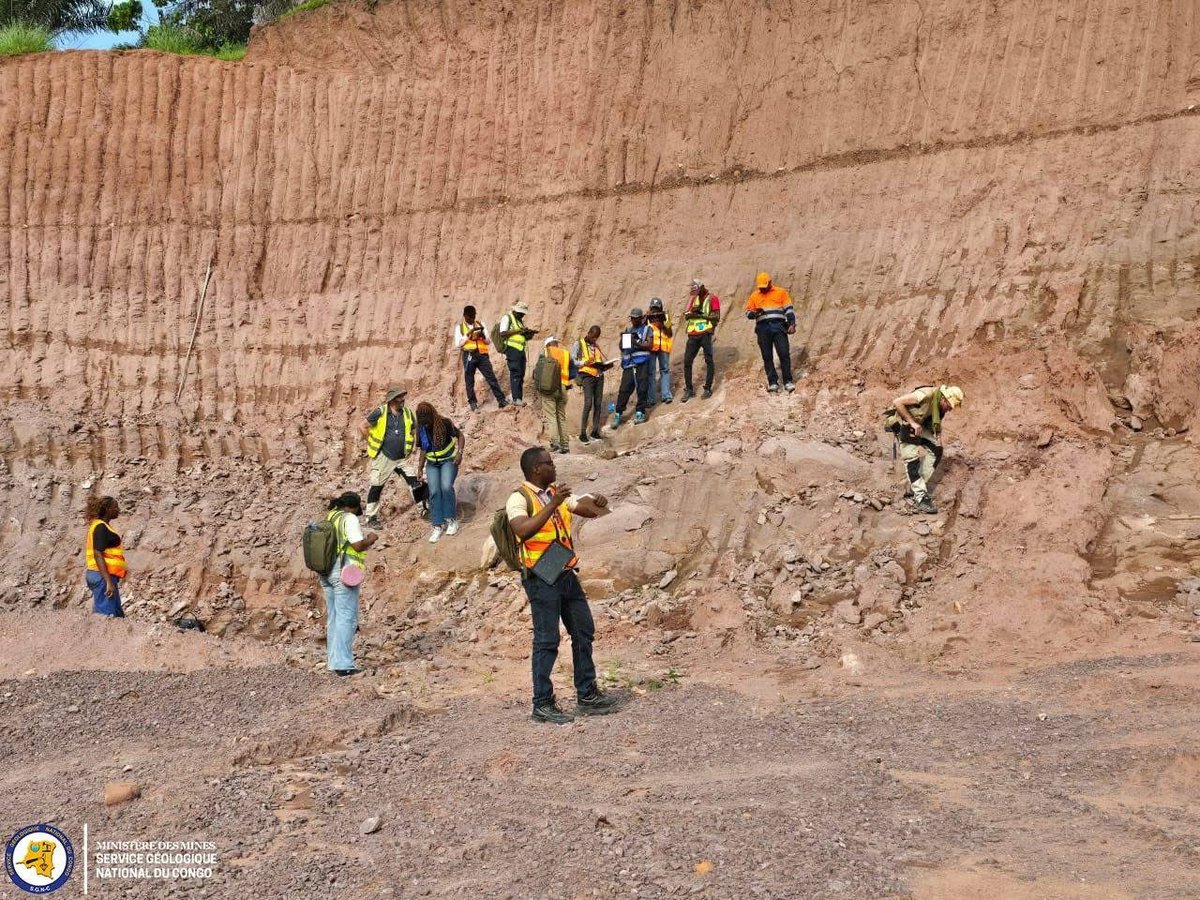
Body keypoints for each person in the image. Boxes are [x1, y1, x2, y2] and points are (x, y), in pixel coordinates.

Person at [507, 446, 620, 723]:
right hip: (541, 575)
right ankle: (542, 703)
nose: (554, 467)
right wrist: (553, 503)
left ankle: (587, 693)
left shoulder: (554, 493)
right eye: (549, 463)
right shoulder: (519, 498)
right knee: (547, 640)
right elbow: (522, 529)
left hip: (564, 569)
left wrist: (598, 505)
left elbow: (584, 510)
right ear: (536, 469)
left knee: (583, 629)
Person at [319, 492, 378, 675]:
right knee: (346, 618)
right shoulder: (349, 518)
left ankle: (333, 661)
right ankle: (344, 665)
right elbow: (357, 545)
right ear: (353, 506)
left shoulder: (331, 516)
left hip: (326, 571)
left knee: (334, 617)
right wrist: (371, 538)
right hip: (343, 572)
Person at [884, 385, 965, 515]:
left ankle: (914, 486)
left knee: (937, 450)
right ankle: (921, 497)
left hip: (919, 425)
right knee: (912, 460)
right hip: (905, 424)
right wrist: (912, 422)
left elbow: (936, 420)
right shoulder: (925, 395)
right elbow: (897, 402)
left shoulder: (939, 403)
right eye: (949, 406)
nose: (949, 410)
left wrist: (938, 437)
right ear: (944, 399)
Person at [357, 386, 418, 527]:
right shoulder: (380, 412)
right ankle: (371, 518)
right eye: (399, 397)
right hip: (384, 457)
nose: (402, 399)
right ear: (391, 400)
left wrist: (411, 448)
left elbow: (413, 431)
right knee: (376, 486)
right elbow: (362, 426)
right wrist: (371, 441)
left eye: (403, 396)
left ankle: (424, 509)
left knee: (414, 482)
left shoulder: (408, 413)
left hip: (401, 458)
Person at [414, 402, 465, 542]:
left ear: (432, 416)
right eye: (423, 422)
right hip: (432, 464)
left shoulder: (444, 423)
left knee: (446, 487)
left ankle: (451, 520)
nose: (426, 424)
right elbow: (423, 449)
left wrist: (459, 453)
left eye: (427, 421)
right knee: (434, 491)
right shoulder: (420, 429)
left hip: (449, 460)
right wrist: (419, 468)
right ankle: (437, 525)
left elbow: (460, 436)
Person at [745, 272, 796, 393]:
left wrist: (792, 323)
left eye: (764, 286)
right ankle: (772, 382)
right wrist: (754, 313)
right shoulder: (754, 296)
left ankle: (788, 381)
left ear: (770, 282)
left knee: (784, 353)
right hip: (762, 328)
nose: (762, 288)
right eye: (761, 287)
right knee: (767, 356)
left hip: (778, 326)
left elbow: (788, 309)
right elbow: (747, 312)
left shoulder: (781, 292)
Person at [453, 305, 508, 411]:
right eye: (470, 317)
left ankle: (501, 400)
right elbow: (458, 344)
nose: (472, 319)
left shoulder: (480, 324)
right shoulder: (459, 328)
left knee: (491, 378)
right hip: (469, 355)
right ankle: (473, 403)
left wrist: (482, 335)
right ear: (464, 316)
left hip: (482, 355)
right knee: (469, 380)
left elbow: (488, 341)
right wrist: (468, 335)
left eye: (473, 316)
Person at [611, 307, 654, 428]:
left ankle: (640, 412)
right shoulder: (628, 330)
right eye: (632, 318)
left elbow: (649, 345)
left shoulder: (647, 329)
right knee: (624, 389)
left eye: (636, 318)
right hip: (629, 363)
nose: (634, 321)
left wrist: (635, 342)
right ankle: (618, 413)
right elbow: (622, 348)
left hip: (642, 362)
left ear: (641, 318)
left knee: (642, 387)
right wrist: (623, 339)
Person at [84, 495, 126, 618]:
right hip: (102, 576)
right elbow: (98, 554)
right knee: (106, 616)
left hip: (103, 575)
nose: (118, 510)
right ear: (107, 509)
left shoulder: (102, 526)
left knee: (116, 614)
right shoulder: (100, 527)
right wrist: (108, 581)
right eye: (115, 507)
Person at [681, 278, 721, 401]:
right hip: (693, 333)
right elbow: (687, 314)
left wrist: (700, 315)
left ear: (702, 287)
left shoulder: (712, 298)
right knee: (687, 361)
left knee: (709, 360)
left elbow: (716, 317)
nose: (696, 293)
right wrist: (690, 313)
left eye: (697, 290)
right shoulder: (693, 298)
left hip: (705, 333)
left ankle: (707, 388)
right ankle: (689, 389)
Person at [572, 325, 610, 443]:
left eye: (596, 338)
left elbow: (598, 360)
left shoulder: (596, 346)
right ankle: (583, 433)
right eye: (593, 337)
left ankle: (594, 431)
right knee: (588, 403)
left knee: (598, 404)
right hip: (587, 376)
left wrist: (605, 365)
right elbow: (573, 360)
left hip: (599, 375)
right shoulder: (578, 344)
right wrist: (584, 362)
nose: (594, 340)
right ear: (588, 333)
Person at [536, 336, 573, 454]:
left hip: (549, 388)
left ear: (547, 345)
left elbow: (539, 371)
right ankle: (565, 445)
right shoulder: (566, 354)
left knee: (551, 416)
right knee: (561, 417)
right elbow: (573, 372)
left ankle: (555, 444)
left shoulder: (545, 352)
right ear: (556, 344)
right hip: (563, 387)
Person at [498, 301, 538, 407]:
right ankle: (516, 399)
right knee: (516, 373)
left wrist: (528, 334)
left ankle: (518, 397)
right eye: (521, 313)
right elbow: (502, 333)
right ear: (515, 311)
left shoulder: (519, 321)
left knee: (521, 374)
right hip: (512, 350)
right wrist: (518, 330)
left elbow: (520, 336)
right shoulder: (507, 318)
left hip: (520, 350)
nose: (522, 315)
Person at [645, 297, 674, 406]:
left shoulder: (666, 317)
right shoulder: (647, 317)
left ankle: (666, 395)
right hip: (651, 348)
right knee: (651, 373)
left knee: (665, 370)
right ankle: (650, 399)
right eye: (653, 308)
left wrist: (663, 325)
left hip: (664, 348)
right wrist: (646, 318)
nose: (655, 311)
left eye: (657, 308)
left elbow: (670, 333)